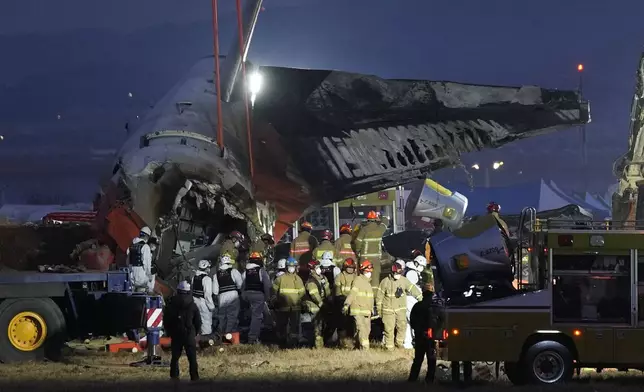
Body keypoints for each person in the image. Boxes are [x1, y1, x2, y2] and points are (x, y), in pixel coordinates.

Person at [376, 262, 422, 350]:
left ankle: (399, 345)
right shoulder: (385, 282)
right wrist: (379, 311)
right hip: (388, 311)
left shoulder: (403, 280)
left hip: (400, 310)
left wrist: (421, 299)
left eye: (400, 273)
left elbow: (413, 289)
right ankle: (389, 349)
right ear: (392, 272)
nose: (398, 275)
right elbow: (379, 298)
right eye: (396, 273)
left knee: (402, 327)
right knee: (389, 330)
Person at [164, 280, 201, 381]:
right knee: (192, 357)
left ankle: (174, 376)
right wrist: (195, 332)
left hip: (176, 333)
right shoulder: (193, 304)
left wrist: (169, 332)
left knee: (175, 357)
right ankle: (194, 377)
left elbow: (166, 320)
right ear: (189, 291)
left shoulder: (172, 304)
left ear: (178, 291)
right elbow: (198, 321)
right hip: (189, 333)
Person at [408, 282, 441, 384]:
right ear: (432, 293)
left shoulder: (417, 306)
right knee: (431, 360)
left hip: (419, 337)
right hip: (431, 338)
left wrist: (418, 331)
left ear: (423, 293)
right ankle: (429, 380)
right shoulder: (436, 307)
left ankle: (412, 380)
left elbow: (412, 321)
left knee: (418, 359)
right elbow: (441, 321)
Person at [271, 257, 305, 347]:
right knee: (281, 326)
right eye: (290, 266)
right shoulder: (280, 279)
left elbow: (302, 293)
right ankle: (282, 344)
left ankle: (293, 344)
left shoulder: (298, 279)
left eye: (293, 266)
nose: (291, 268)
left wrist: (301, 303)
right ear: (286, 267)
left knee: (295, 328)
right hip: (282, 307)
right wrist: (275, 301)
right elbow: (273, 292)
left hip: (295, 308)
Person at [343, 260, 375, 350]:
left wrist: (372, 309)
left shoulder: (368, 283)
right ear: (363, 271)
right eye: (367, 272)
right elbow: (352, 294)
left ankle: (357, 346)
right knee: (362, 330)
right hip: (358, 310)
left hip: (366, 311)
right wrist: (347, 304)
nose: (369, 273)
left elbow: (369, 298)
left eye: (370, 272)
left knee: (367, 330)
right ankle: (365, 349)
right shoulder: (358, 280)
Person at [353, 210, 387, 293]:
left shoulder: (364, 230)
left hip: (365, 259)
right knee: (375, 279)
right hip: (376, 259)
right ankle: (374, 298)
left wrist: (357, 252)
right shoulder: (380, 229)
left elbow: (357, 242)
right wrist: (381, 217)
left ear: (367, 219)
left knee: (365, 278)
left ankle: (364, 295)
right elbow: (386, 222)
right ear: (375, 219)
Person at [242, 251, 271, 344]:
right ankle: (253, 337)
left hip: (247, 295)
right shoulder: (261, 271)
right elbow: (267, 285)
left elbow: (242, 285)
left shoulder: (245, 271)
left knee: (252, 314)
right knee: (257, 316)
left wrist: (244, 296)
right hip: (258, 295)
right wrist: (267, 297)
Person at [302, 259, 330, 348]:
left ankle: (322, 344)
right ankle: (317, 346)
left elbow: (327, 291)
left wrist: (329, 301)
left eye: (319, 267)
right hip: (314, 307)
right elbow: (315, 295)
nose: (319, 269)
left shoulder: (323, 278)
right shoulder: (311, 282)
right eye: (317, 267)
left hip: (322, 306)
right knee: (317, 327)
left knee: (323, 325)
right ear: (312, 269)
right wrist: (322, 304)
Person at [213, 254, 243, 335]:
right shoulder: (234, 271)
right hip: (233, 295)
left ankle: (220, 333)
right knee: (232, 315)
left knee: (222, 316)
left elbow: (215, 291)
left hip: (221, 296)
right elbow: (240, 285)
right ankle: (229, 334)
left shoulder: (216, 275)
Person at [403, 255, 428, 349]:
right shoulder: (412, 273)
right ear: (416, 263)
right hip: (411, 299)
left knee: (408, 322)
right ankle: (415, 342)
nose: (422, 268)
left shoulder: (412, 271)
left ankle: (408, 344)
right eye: (421, 265)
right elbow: (412, 289)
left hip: (412, 299)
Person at [334, 257, 357, 348]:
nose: (350, 269)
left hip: (353, 302)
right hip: (341, 302)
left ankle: (352, 341)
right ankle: (342, 342)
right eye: (348, 268)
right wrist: (341, 300)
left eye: (352, 268)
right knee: (341, 323)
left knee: (352, 323)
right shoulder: (340, 276)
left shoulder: (356, 277)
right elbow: (337, 290)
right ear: (345, 267)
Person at [127, 226, 155, 293]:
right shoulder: (145, 247)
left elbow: (127, 262)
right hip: (141, 278)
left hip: (131, 277)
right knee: (152, 276)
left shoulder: (131, 246)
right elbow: (147, 264)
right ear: (147, 237)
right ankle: (150, 294)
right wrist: (149, 276)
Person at [192, 259, 216, 336]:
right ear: (206, 268)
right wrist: (211, 307)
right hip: (203, 303)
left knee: (196, 320)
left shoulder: (194, 277)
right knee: (206, 322)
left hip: (195, 301)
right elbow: (207, 295)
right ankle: (206, 339)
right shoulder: (207, 279)